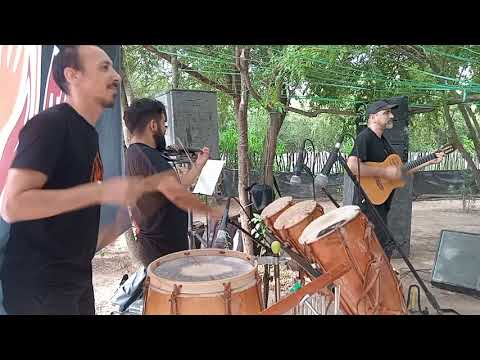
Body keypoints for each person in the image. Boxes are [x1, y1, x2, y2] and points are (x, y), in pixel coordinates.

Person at [0, 45, 219, 315]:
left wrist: (113, 223)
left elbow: (69, 215)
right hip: (40, 285)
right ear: (73, 75)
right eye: (104, 67)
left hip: (75, 275)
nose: (116, 75)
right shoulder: (50, 125)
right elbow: (13, 204)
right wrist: (99, 193)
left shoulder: (89, 134)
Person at [123, 98, 219, 267]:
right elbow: (177, 194)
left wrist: (198, 166)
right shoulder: (148, 157)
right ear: (153, 125)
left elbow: (176, 185)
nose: (165, 130)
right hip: (162, 250)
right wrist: (210, 211)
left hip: (156, 246)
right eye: (163, 124)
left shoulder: (135, 153)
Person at [347, 99, 444, 259]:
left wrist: (429, 160)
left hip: (381, 204)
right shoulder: (365, 137)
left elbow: (400, 172)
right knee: (379, 247)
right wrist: (384, 173)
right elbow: (352, 166)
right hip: (369, 203)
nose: (391, 115)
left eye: (390, 112)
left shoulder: (383, 141)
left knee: (382, 246)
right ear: (373, 117)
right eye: (386, 113)